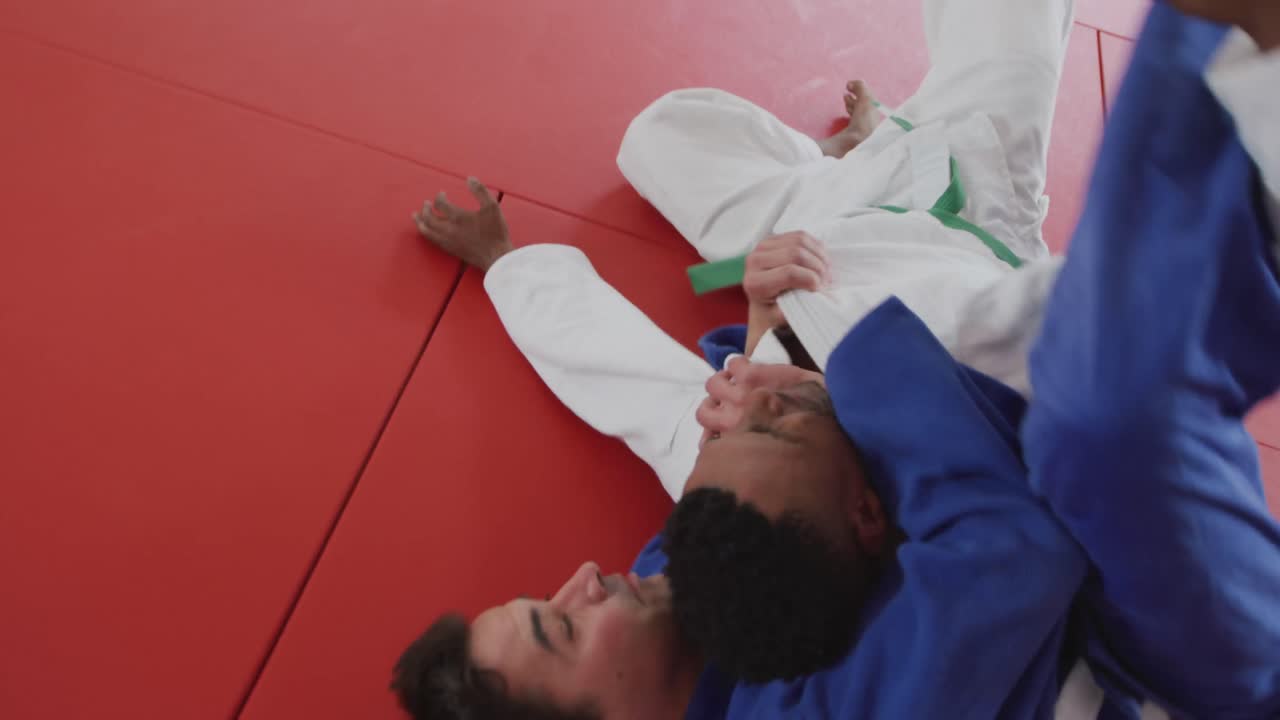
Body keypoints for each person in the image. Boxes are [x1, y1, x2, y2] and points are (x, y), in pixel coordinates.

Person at [395, 2, 1280, 719]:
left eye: (545, 600)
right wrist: (830, 372)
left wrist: (753, 331)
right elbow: (1011, 549)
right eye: (560, 627)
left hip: (861, 259)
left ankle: (865, 159)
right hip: (964, 372)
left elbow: (674, 410)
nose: (580, 579)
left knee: (662, 138)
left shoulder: (683, 585)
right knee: (1097, 402)